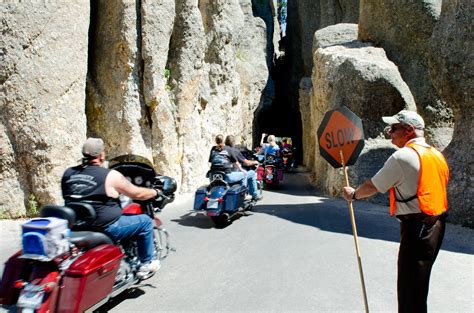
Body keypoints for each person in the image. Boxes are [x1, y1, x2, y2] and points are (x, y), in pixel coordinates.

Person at [342, 110, 449, 313]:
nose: (389, 133)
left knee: (409, 291)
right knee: (419, 285)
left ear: (408, 130)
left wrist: (353, 194)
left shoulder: (403, 156)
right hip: (436, 226)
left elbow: (373, 186)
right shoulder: (437, 155)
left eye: (394, 128)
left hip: (416, 228)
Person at [61, 138, 161, 279]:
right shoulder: (109, 175)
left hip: (77, 225)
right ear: (102, 155)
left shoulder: (68, 173)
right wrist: (155, 192)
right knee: (144, 221)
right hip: (106, 227)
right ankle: (146, 264)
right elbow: (137, 193)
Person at [225, 135, 263, 201]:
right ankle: (253, 195)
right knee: (252, 173)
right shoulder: (234, 151)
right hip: (232, 174)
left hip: (222, 174)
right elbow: (246, 163)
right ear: (234, 142)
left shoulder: (221, 149)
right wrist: (255, 162)